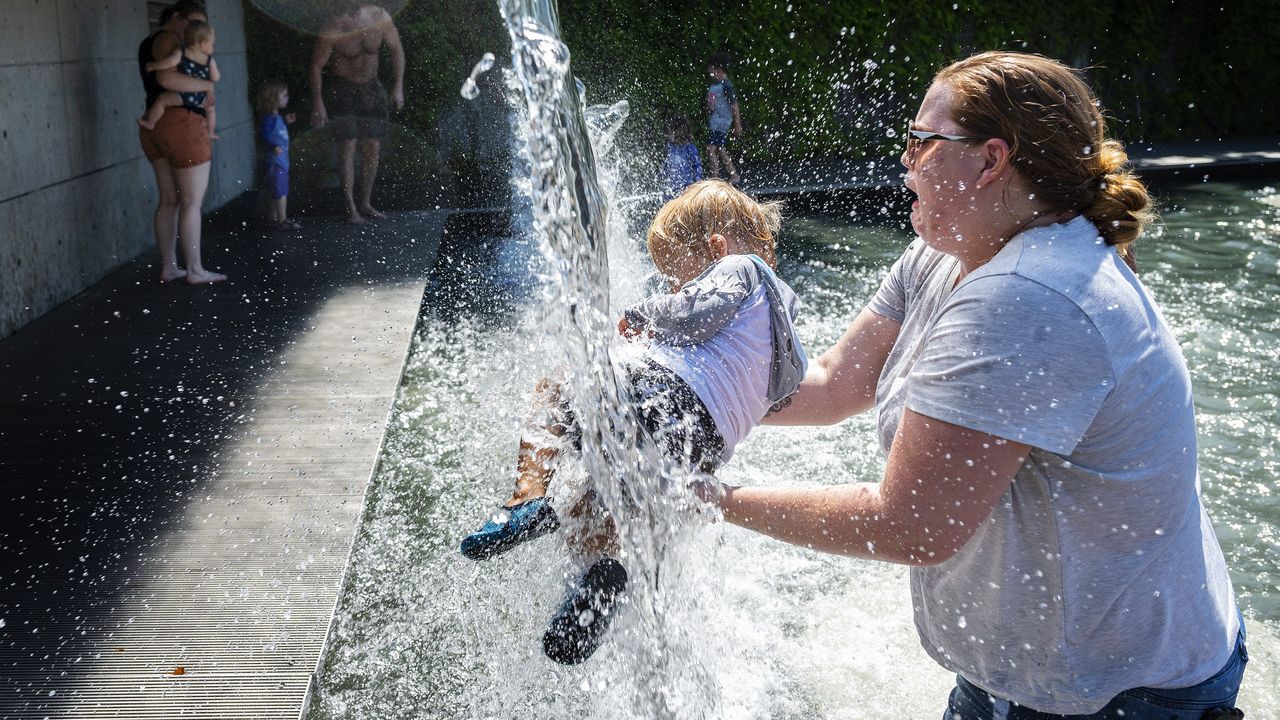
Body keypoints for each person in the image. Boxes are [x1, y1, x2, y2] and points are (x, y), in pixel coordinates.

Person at [699, 51, 1247, 719]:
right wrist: (677, 399)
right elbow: (829, 385)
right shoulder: (944, 248)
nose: (904, 158)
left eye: (922, 141)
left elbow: (908, 524)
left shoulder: (1031, 298)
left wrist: (706, 497)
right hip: (1026, 678)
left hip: (1124, 697)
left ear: (991, 161)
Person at [459, 180, 808, 666]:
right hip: (699, 448)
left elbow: (699, 309)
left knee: (557, 387)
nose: (672, 288)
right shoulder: (784, 330)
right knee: (601, 499)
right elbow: (779, 393)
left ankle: (526, 499)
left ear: (716, 248)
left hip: (660, 400)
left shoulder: (739, 267)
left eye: (675, 278)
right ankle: (604, 573)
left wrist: (643, 316)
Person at [137, 0, 226, 284]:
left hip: (157, 127)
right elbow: (167, 78)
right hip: (182, 125)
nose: (195, 31)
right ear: (176, 18)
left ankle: (170, 266)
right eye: (192, 23)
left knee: (170, 199)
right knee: (190, 202)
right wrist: (206, 86)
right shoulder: (171, 41)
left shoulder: (148, 42)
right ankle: (195, 269)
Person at [308, 0, 405, 224]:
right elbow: (316, 66)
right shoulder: (331, 30)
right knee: (348, 145)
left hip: (372, 88)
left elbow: (397, 50)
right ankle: (350, 207)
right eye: (337, 19)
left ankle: (366, 202)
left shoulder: (380, 18)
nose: (339, 23)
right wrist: (318, 101)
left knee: (373, 146)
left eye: (344, 20)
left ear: (357, 15)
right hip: (343, 90)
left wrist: (398, 87)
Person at [138, 21, 220, 140]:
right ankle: (211, 132)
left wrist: (153, 66)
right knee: (211, 110)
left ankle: (151, 122)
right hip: (201, 98)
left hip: (183, 95)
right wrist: (213, 77)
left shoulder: (181, 53)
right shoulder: (209, 61)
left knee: (162, 100)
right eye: (212, 43)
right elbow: (215, 78)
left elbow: (169, 63)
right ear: (203, 43)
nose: (213, 46)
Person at [256, 81, 299, 230]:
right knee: (280, 190)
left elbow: (274, 133)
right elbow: (265, 134)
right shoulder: (269, 118)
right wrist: (273, 146)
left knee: (275, 189)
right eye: (284, 95)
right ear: (274, 99)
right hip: (276, 161)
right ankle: (282, 220)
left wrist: (286, 122)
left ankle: (273, 219)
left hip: (280, 161)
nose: (287, 98)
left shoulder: (276, 117)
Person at [705, 51, 742, 186]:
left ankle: (715, 176)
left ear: (718, 69)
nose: (710, 73)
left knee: (711, 148)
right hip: (715, 122)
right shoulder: (715, 86)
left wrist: (737, 124)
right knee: (720, 148)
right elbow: (712, 107)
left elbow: (734, 105)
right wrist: (709, 107)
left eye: (711, 70)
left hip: (721, 123)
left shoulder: (726, 85)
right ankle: (733, 174)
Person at [659, 116, 702, 200]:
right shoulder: (670, 147)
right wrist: (661, 175)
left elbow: (697, 166)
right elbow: (667, 165)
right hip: (670, 188)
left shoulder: (689, 148)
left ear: (678, 132)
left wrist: (697, 182)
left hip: (686, 188)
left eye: (669, 133)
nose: (667, 136)